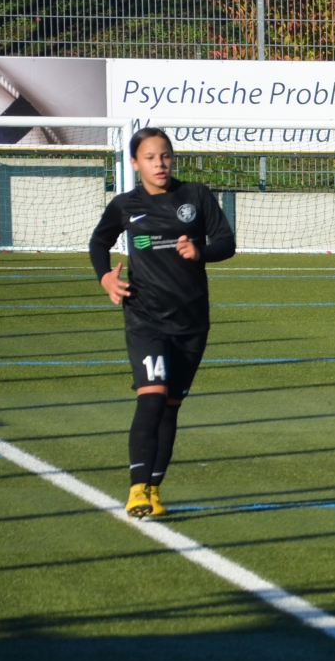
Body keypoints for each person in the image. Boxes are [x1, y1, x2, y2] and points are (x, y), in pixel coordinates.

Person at [88, 127, 236, 518]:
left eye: (166, 156)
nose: (160, 164)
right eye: (150, 157)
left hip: (192, 319)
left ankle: (153, 491)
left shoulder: (196, 196)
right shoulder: (125, 205)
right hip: (145, 317)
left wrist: (200, 251)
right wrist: (105, 278)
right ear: (135, 163)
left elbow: (227, 242)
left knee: (171, 406)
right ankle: (137, 489)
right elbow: (99, 242)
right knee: (152, 397)